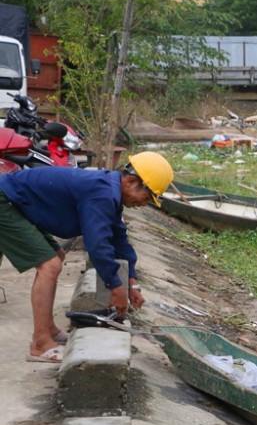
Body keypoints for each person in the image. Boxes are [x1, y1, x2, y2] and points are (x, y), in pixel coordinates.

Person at [0, 151, 174, 363]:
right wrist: (115, 287)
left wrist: (132, 282)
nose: (143, 204)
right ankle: (40, 344)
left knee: (56, 255)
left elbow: (119, 240)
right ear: (131, 181)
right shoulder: (102, 193)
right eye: (146, 197)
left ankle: (49, 330)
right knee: (50, 265)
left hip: (17, 203)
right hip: (5, 201)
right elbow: (97, 245)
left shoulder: (110, 192)